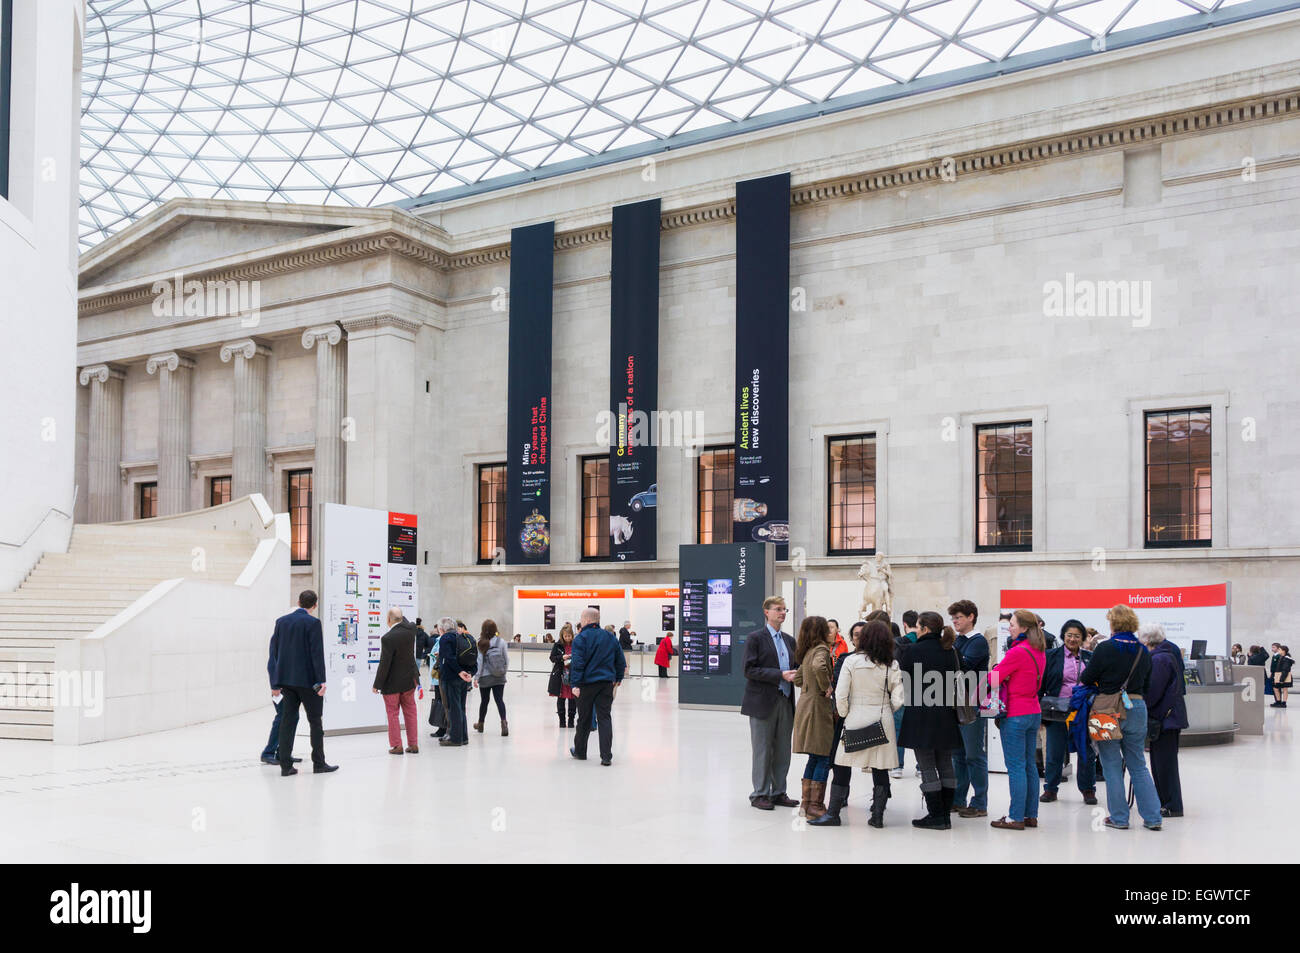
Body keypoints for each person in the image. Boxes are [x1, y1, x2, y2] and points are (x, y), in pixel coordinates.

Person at [1081, 604, 1163, 830]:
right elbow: (1147, 684)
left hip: (1107, 708)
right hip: (1136, 706)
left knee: (1111, 764)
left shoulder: (1105, 648)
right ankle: (1153, 817)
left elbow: (1087, 677)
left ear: (1113, 623)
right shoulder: (1143, 650)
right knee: (1138, 763)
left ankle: (1119, 817)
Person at [817, 620, 904, 828]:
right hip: (882, 719)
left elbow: (841, 694)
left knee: (842, 764)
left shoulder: (852, 661)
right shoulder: (891, 664)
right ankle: (877, 816)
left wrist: (846, 713)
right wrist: (885, 710)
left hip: (855, 718)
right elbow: (899, 699)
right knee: (880, 768)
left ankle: (833, 813)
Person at [898, 610, 961, 829]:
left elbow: (904, 681)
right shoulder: (950, 650)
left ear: (924, 629)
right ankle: (945, 814)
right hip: (945, 715)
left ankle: (936, 816)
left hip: (920, 716)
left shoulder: (912, 651)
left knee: (926, 765)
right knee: (945, 763)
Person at [268, 590, 337, 776]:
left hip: (286, 682)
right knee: (315, 722)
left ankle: (285, 765)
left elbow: (274, 653)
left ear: (298, 602)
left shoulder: (281, 622)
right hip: (308, 683)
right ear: (314, 605)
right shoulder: (313, 623)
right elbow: (316, 654)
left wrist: (275, 681)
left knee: (287, 723)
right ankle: (319, 763)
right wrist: (321, 680)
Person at [988, 609, 1046, 830]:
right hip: (1033, 711)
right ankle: (1031, 815)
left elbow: (995, 678)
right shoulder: (1038, 651)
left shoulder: (1017, 652)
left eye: (1012, 624)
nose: (1009, 627)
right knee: (1029, 765)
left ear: (1023, 628)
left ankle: (1015, 817)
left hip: (1015, 714)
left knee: (1015, 767)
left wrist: (980, 682)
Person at [741, 595, 799, 811]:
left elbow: (796, 665)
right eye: (778, 609)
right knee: (763, 749)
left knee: (783, 749)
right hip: (762, 702)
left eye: (784, 609)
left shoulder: (789, 640)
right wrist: (780, 675)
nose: (782, 613)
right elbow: (749, 670)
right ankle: (760, 793)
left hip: (785, 700)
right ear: (766, 612)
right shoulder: (755, 638)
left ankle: (778, 792)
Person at [810, 620, 864, 827]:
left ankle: (877, 813)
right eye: (856, 634)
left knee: (878, 766)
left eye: (862, 633)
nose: (858, 637)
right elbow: (837, 685)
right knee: (841, 761)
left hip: (862, 715)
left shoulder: (881, 660)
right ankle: (837, 805)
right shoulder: (845, 658)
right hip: (846, 716)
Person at [1039, 619, 1096, 805]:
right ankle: (1050, 788)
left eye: (1077, 636)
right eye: (1069, 635)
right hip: (1057, 710)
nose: (1072, 639)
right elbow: (1041, 684)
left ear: (1083, 638)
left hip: (1083, 711)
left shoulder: (1089, 657)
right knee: (1055, 751)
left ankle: (1088, 789)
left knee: (1085, 750)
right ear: (1063, 636)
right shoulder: (1051, 655)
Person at [569, 607, 627, 766]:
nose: (581, 621)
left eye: (581, 618)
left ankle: (580, 751)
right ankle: (606, 756)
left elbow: (578, 664)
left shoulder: (581, 638)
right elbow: (620, 660)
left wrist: (575, 684)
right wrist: (618, 678)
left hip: (586, 685)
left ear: (587, 620)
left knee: (584, 719)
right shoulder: (610, 637)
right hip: (606, 684)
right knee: (604, 718)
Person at [948, 599, 990, 819]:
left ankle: (980, 802)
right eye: (953, 618)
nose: (955, 621)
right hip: (958, 701)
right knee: (958, 754)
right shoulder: (958, 640)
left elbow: (963, 665)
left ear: (971, 617)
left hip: (972, 703)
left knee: (974, 754)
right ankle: (958, 799)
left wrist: (947, 650)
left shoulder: (978, 641)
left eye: (959, 617)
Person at [1141, 622, 1187, 818]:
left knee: (1164, 764)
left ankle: (1171, 804)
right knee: (1161, 762)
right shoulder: (1167, 654)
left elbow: (1153, 692)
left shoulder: (1159, 659)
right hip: (1169, 718)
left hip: (1165, 720)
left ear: (1147, 639)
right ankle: (1165, 801)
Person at [792, 615, 835, 819]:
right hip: (818, 707)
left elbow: (798, 678)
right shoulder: (821, 650)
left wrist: (809, 686)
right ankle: (816, 807)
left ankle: (805, 804)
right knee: (824, 756)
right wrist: (827, 686)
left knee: (813, 756)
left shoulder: (807, 651)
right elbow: (819, 667)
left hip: (805, 704)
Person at [372, 608, 420, 754]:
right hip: (409, 681)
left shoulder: (388, 638)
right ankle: (413, 744)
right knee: (411, 712)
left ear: (388, 619)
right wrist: (399, 617)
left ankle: (397, 746)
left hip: (392, 683)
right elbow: (406, 621)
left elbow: (384, 664)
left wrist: (377, 684)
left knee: (392, 714)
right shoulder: (411, 630)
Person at [436, 616, 476, 747]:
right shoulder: (460, 636)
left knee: (453, 708)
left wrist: (458, 671)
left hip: (451, 677)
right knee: (460, 707)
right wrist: (468, 673)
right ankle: (463, 736)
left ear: (442, 629)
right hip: (463, 678)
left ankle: (455, 738)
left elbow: (449, 658)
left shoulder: (446, 638)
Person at [892, 611, 918, 778]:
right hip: (924, 692)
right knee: (919, 728)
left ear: (904, 624)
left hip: (902, 689)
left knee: (898, 729)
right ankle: (922, 766)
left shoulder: (899, 643)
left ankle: (897, 766)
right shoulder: (925, 641)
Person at [473, 618, 510, 736]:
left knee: (484, 701)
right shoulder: (501, 642)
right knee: (499, 700)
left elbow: (479, 662)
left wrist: (476, 677)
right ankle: (504, 724)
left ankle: (481, 724)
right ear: (495, 630)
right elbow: (506, 658)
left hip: (485, 677)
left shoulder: (481, 642)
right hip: (499, 676)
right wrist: (503, 671)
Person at [548, 623, 578, 727]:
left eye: (569, 636)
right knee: (561, 698)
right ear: (562, 635)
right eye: (565, 636)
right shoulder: (558, 645)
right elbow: (552, 657)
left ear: (572, 635)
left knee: (572, 698)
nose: (567, 638)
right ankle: (562, 720)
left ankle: (571, 720)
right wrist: (562, 657)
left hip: (573, 675)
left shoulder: (576, 644)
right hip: (561, 675)